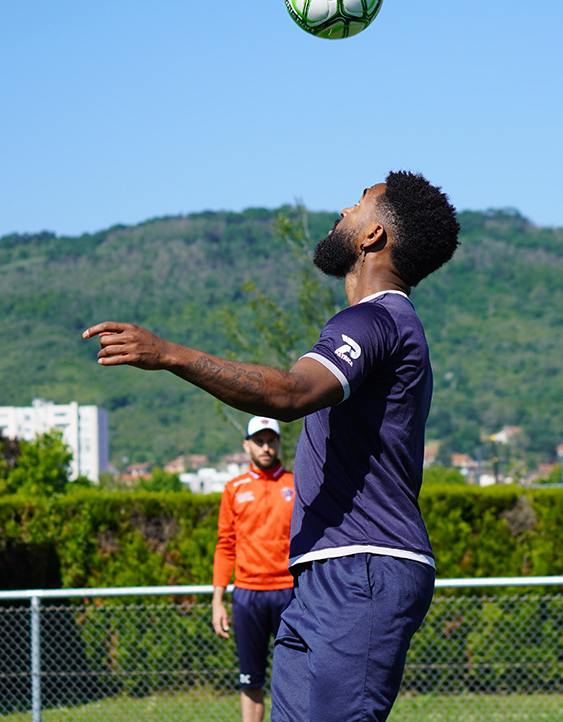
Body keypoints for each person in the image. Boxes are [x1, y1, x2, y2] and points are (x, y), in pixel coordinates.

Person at [83, 170, 460, 722]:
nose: (342, 209)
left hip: (364, 568)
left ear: (373, 235)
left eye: (357, 204)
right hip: (320, 577)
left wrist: (168, 354)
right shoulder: (378, 323)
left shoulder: (377, 321)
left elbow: (291, 393)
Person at [211, 415, 295, 722]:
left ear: (278, 444)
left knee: (296, 676)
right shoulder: (234, 489)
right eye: (258, 441)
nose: (265, 447)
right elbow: (225, 544)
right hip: (248, 595)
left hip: (290, 593)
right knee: (251, 681)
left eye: (270, 440)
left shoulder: (295, 484)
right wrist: (217, 600)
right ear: (247, 446)